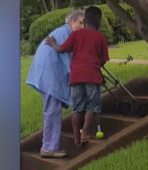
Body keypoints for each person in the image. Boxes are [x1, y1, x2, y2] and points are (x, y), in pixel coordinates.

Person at [46, 6, 109, 146]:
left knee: (77, 108)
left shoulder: (75, 35)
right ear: (98, 21)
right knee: (92, 106)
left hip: (75, 77)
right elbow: (104, 59)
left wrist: (52, 43)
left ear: (85, 21)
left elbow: (62, 49)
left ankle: (76, 137)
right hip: (92, 76)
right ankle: (85, 132)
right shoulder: (100, 37)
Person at [26, 10, 84, 158]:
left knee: (52, 110)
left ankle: (49, 146)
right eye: (80, 23)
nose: (83, 26)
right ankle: (48, 148)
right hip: (48, 75)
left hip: (46, 73)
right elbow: (70, 62)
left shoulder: (63, 32)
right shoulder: (66, 33)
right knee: (52, 111)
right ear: (71, 22)